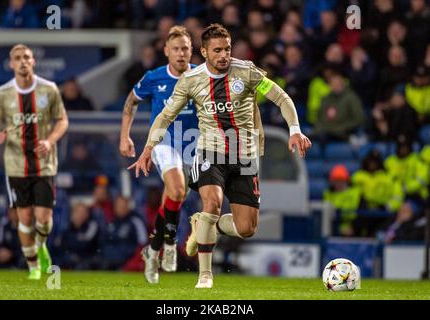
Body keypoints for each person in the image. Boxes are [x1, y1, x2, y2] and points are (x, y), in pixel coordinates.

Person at [129, 24, 311, 288]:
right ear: (203, 52)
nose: (224, 54)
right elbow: (165, 116)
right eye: (217, 50)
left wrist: (294, 130)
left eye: (227, 48)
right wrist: (147, 148)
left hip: (245, 157)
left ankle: (200, 225)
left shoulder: (246, 71)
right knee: (211, 204)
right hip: (209, 152)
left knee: (246, 228)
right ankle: (205, 275)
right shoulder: (191, 80)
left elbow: (281, 98)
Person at [119, 26, 198, 284]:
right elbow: (131, 102)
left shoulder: (201, 76)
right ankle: (171, 243)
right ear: (166, 51)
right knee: (177, 191)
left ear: (191, 50)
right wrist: (125, 136)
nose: (180, 53)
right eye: (175, 48)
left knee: (174, 199)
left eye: (185, 48)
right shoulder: (154, 77)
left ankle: (152, 250)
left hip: (194, 146)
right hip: (165, 143)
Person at [0, 44, 69, 280]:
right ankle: (33, 266)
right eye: (17, 58)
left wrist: (50, 140)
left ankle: (41, 244)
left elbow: (63, 120)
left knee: (43, 219)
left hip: (44, 163)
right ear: (11, 64)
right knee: (25, 219)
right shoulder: (2, 93)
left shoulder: (49, 89)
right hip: (15, 165)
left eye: (26, 57)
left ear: (33, 62)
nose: (22, 61)